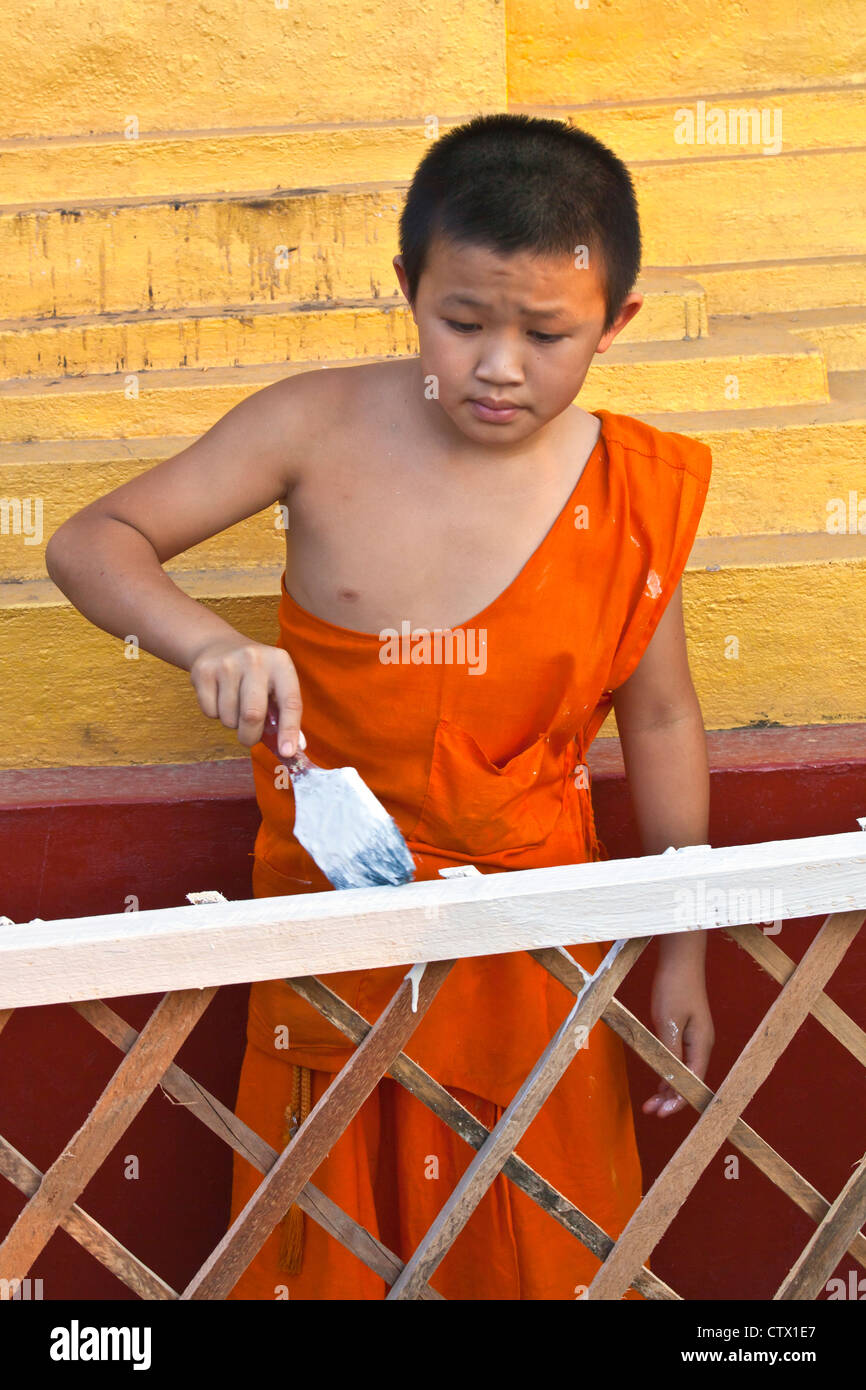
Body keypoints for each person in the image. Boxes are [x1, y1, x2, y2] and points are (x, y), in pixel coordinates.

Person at [45, 112, 715, 1300]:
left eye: (544, 333)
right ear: (405, 287)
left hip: (537, 946)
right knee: (332, 1247)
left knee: (538, 1246)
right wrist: (205, 640)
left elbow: (657, 723)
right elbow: (96, 541)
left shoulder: (629, 492)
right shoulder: (313, 425)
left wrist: (682, 951)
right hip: (335, 936)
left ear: (615, 323)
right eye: (460, 323)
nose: (497, 365)